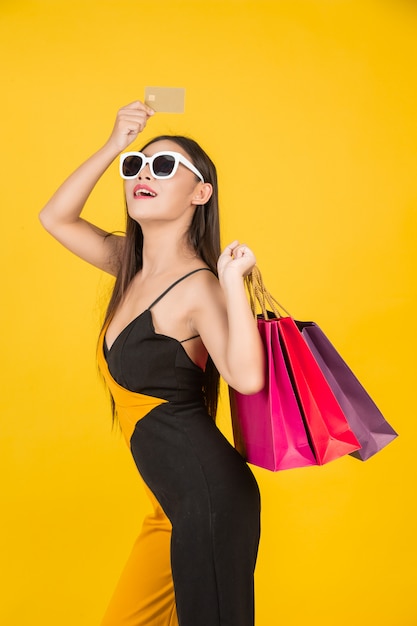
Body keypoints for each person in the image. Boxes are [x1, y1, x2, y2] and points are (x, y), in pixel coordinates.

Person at [39, 100, 265, 626]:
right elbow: (55, 217)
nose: (144, 173)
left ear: (200, 193)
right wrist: (114, 145)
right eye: (137, 166)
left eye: (164, 167)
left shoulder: (200, 286)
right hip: (168, 506)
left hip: (209, 499)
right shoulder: (127, 266)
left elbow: (247, 377)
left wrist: (232, 284)